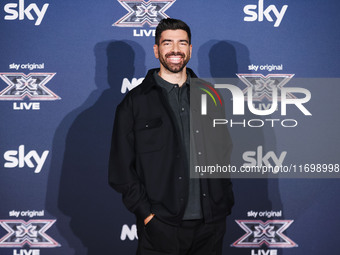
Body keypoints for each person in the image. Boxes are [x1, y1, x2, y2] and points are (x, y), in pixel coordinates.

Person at [109, 18, 234, 255]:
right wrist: (147, 215)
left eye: (182, 43)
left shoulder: (211, 95)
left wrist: (222, 201)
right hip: (161, 226)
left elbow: (224, 150)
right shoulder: (134, 102)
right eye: (168, 43)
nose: (175, 50)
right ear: (156, 50)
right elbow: (121, 169)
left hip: (211, 224)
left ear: (190, 49)